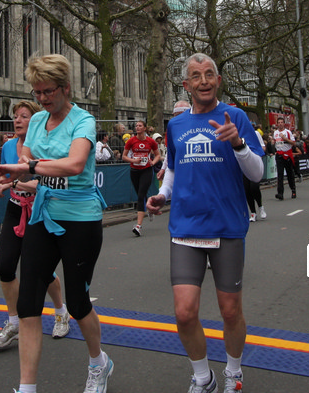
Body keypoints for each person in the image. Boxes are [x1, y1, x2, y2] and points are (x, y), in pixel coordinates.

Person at [0, 55, 112, 393]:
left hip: (80, 219)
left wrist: (27, 168)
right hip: (43, 216)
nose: (42, 98)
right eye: (37, 92)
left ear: (66, 88)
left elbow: (74, 165)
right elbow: (29, 172)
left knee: (78, 303)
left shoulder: (82, 120)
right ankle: (27, 388)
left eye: (48, 91)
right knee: (28, 304)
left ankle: (98, 363)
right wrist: (8, 182)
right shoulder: (37, 121)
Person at [146, 53, 265, 393]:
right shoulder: (176, 125)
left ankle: (233, 372)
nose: (204, 81)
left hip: (226, 226)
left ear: (218, 80)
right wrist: (162, 195)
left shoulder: (236, 117)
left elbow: (256, 173)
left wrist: (239, 144)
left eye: (209, 74)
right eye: (196, 76)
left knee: (230, 311)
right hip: (186, 227)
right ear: (186, 84)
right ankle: (202, 377)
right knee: (184, 313)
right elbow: (173, 168)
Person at [0, 100, 70, 350]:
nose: (18, 120)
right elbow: (6, 177)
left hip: (39, 210)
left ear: (35, 121)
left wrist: (11, 184)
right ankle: (14, 322)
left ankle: (61, 311)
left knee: (41, 270)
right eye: (15, 116)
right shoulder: (8, 147)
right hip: (15, 209)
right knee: (5, 267)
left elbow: (44, 183)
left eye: (24, 116)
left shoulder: (43, 146)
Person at [124, 120, 161, 237]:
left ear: (145, 128)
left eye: (140, 126)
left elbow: (158, 155)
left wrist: (153, 162)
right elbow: (124, 156)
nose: (137, 127)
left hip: (146, 170)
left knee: (140, 195)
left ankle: (138, 226)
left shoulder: (150, 141)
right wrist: (133, 160)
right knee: (141, 194)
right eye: (136, 126)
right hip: (134, 171)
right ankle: (149, 208)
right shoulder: (131, 141)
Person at [272, 116, 296, 200]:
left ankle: (293, 190)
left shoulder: (288, 132)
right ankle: (280, 193)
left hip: (287, 155)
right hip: (279, 155)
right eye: (279, 123)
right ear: (277, 124)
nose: (280, 124)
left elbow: (293, 143)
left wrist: (285, 138)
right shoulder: (275, 133)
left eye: (281, 122)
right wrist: (273, 143)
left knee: (289, 174)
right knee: (280, 174)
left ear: (284, 123)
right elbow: (275, 141)